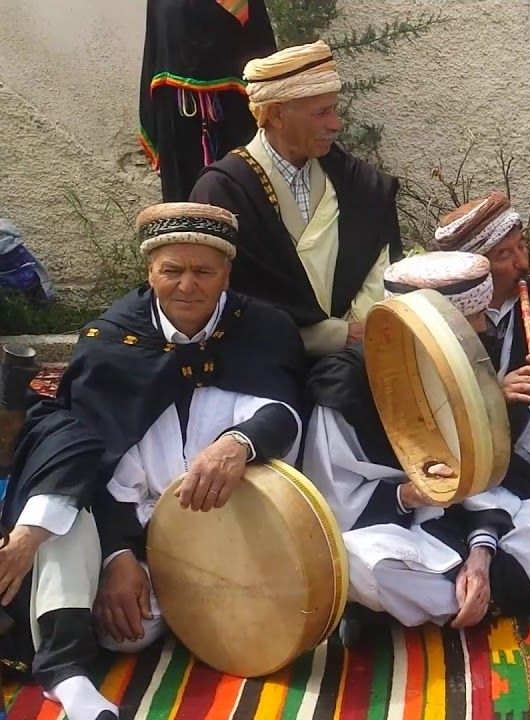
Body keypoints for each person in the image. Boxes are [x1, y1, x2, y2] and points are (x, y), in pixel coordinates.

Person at [0, 203, 305, 720]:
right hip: (133, 524)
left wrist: (238, 443)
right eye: (172, 270)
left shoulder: (263, 328)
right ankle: (68, 674)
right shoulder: (110, 342)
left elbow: (284, 410)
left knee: (276, 610)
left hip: (233, 524)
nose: (187, 285)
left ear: (227, 274)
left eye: (203, 271)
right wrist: (118, 556)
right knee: (125, 625)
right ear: (150, 272)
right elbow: (88, 458)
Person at [303, 251, 530, 643]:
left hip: (472, 517)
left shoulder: (462, 360)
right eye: (473, 317)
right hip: (393, 524)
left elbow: (486, 479)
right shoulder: (345, 385)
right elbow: (335, 501)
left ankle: (426, 607)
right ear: (434, 328)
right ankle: (508, 595)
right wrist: (411, 494)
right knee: (359, 563)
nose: (484, 325)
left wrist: (481, 551)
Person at [189, 41, 402, 358]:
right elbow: (224, 297)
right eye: (321, 112)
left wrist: (361, 330)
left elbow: (382, 262)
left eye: (333, 109)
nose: (335, 124)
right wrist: (333, 336)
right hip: (263, 365)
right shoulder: (223, 192)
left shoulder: (355, 181)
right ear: (276, 114)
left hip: (362, 358)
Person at [430, 192, 530, 473]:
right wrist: (494, 396)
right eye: (504, 254)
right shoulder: (444, 316)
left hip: (520, 427)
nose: (523, 263)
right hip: (458, 439)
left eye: (522, 246)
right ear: (475, 268)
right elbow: (431, 403)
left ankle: (509, 475)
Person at [138, 0, 277, 201]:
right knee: (185, 198)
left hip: (237, 108)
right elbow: (157, 44)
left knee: (243, 191)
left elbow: (259, 46)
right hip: (179, 109)